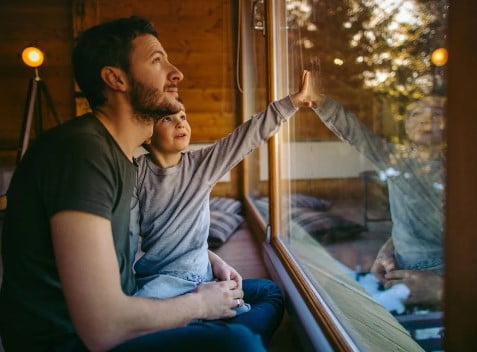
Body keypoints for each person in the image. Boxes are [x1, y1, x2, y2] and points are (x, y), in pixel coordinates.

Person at [0, 16, 270, 352]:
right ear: (115, 79)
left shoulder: (122, 158)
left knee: (264, 292)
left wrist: (209, 260)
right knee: (240, 344)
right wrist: (200, 305)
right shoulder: (81, 153)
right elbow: (103, 328)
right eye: (157, 61)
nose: (177, 74)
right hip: (72, 341)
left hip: (124, 303)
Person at [129, 70, 314, 332]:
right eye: (168, 119)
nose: (181, 123)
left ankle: (208, 329)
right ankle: (212, 331)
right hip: (159, 282)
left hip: (200, 276)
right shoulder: (135, 173)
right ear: (148, 134)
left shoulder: (202, 164)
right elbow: (125, 238)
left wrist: (292, 102)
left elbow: (247, 137)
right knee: (138, 320)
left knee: (270, 291)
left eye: (183, 116)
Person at [311, 94, 445, 307]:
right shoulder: (394, 158)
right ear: (407, 125)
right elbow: (356, 134)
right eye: (416, 113)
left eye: (436, 114)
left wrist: (445, 287)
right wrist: (320, 102)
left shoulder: (460, 170)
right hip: (399, 269)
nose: (425, 119)